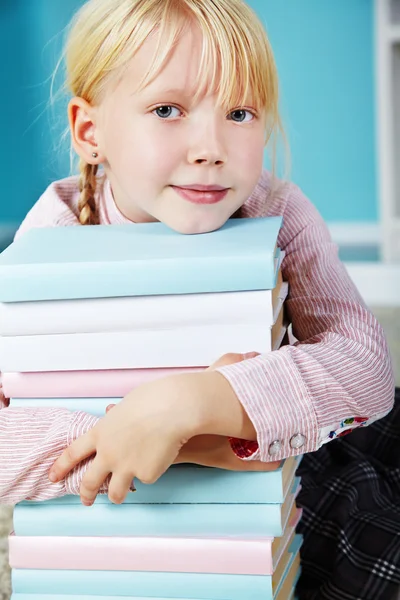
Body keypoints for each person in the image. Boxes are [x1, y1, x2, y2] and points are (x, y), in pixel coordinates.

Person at [0, 0, 394, 511]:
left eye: (239, 113)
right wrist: (173, 444)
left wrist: (201, 401)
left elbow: (364, 362)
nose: (210, 148)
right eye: (167, 110)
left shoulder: (277, 209)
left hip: (285, 452)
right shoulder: (45, 244)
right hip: (135, 508)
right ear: (90, 132)